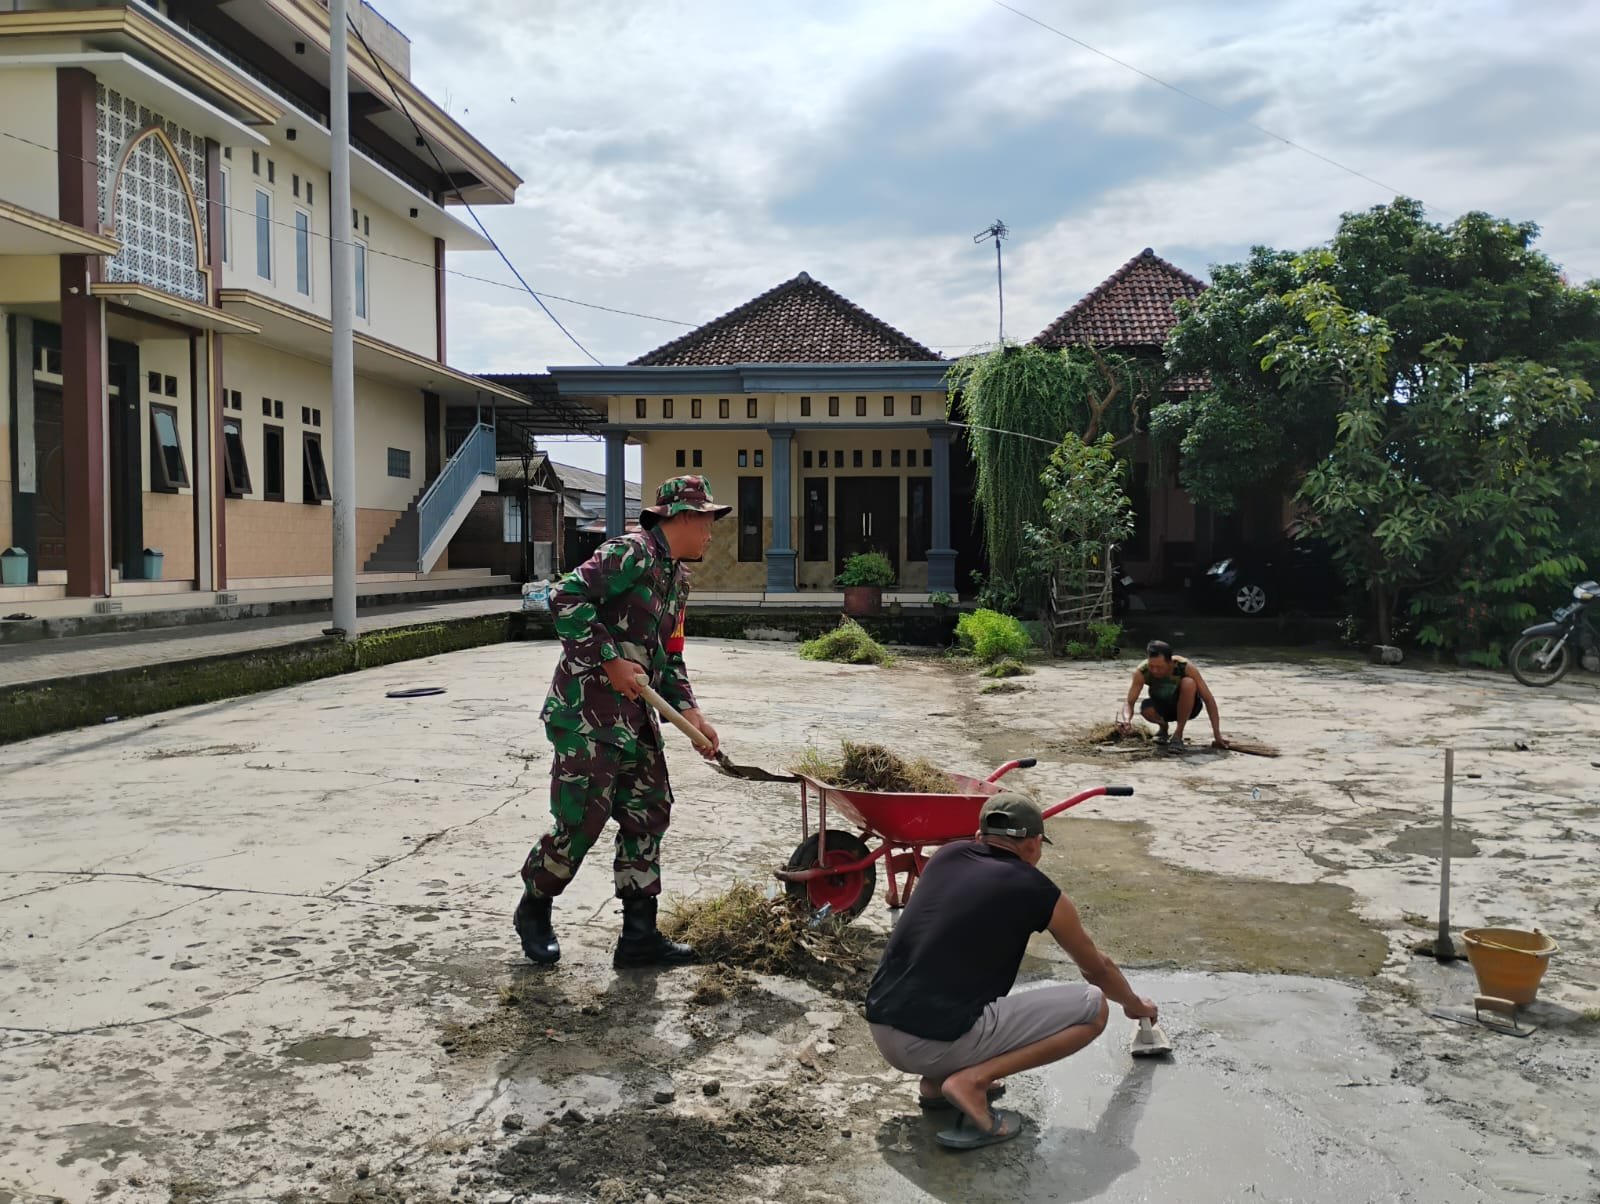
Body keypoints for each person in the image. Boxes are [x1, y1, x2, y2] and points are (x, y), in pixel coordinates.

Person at [514, 475, 729, 969]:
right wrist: (610, 659)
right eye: (708, 523)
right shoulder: (629, 553)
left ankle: (639, 938)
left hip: (636, 717)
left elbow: (668, 657)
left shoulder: (677, 579)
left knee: (648, 811)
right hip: (588, 712)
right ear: (683, 518)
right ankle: (534, 906)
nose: (711, 534)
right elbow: (565, 597)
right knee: (582, 818)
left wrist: (692, 712)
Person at [864, 795, 1159, 1150]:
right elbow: (1096, 969)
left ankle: (937, 1083)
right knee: (1094, 1007)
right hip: (931, 1042)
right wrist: (1133, 1004)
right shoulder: (1037, 891)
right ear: (1034, 843)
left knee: (953, 982)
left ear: (978, 835)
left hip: (882, 1025)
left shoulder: (945, 857)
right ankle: (972, 1081)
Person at [1117, 639, 1228, 748]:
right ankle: (1163, 727)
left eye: (1159, 667)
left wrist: (1217, 735)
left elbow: (1208, 700)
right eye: (1152, 666)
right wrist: (1126, 721)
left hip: (1189, 707)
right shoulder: (1142, 671)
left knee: (1188, 683)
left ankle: (1178, 734)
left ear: (1170, 662)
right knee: (1146, 709)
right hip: (1162, 706)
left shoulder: (1184, 666)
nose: (1155, 671)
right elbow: (1129, 702)